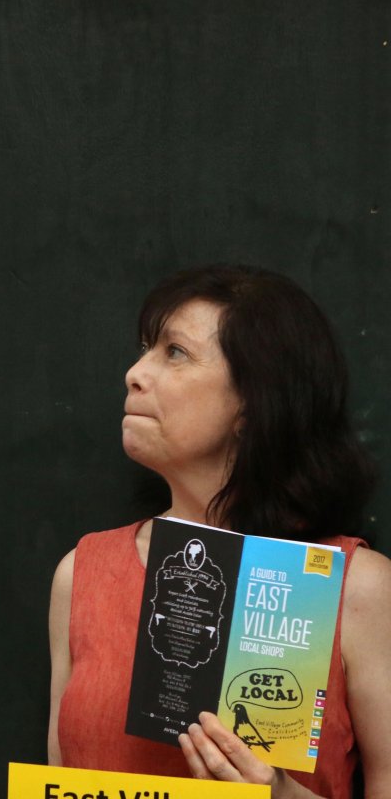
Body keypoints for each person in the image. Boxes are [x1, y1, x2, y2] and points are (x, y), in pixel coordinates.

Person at [48, 265, 391, 798]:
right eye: (144, 349)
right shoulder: (83, 573)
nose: (135, 373)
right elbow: (62, 776)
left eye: (175, 353)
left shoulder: (356, 587)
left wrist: (281, 793)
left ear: (252, 405)